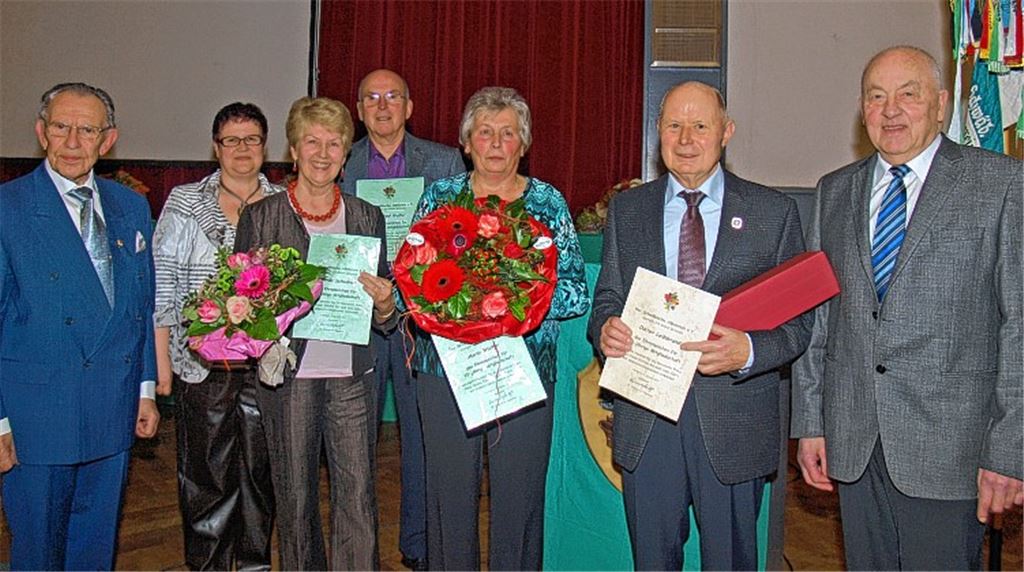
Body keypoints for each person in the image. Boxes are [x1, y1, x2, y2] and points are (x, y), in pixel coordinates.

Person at [791, 45, 1023, 570]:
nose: (891, 110)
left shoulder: (1002, 185)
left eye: (908, 94)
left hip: (951, 452)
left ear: (941, 104)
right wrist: (811, 422)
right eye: (876, 97)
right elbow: (819, 320)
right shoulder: (835, 191)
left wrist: (1010, 449)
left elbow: (1020, 326)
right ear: (862, 110)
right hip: (854, 442)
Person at [589, 81, 811, 570]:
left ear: (726, 132)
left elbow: (799, 325)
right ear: (658, 133)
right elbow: (607, 297)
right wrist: (605, 329)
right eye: (674, 125)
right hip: (648, 419)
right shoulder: (628, 210)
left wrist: (749, 351)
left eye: (700, 125)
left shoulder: (773, 212)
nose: (686, 139)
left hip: (733, 422)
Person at [406, 86, 589, 570]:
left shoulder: (547, 203)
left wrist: (514, 303)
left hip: (523, 371)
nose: (495, 143)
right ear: (466, 142)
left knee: (519, 500)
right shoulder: (440, 198)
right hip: (446, 371)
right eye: (485, 132)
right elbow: (412, 281)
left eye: (507, 133)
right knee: (449, 497)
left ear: (523, 144)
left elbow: (576, 292)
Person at [0, 82, 160, 569]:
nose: (72, 142)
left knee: (95, 549)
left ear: (107, 140)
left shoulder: (130, 206)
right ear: (41, 133)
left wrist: (145, 388)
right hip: (36, 415)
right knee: (39, 552)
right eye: (61, 127)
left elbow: (140, 304)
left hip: (112, 404)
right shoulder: (8, 208)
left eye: (86, 131)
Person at [234, 96, 397, 571]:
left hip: (353, 377)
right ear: (293, 150)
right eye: (312, 142)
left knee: (359, 496)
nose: (323, 154)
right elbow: (241, 311)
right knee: (295, 498)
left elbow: (385, 317)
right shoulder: (261, 217)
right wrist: (270, 310)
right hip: (289, 378)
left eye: (334, 144)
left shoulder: (368, 216)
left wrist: (386, 304)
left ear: (346, 154)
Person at [341, 68, 465, 571]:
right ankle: (359, 551)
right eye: (371, 97)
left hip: (421, 320)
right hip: (358, 317)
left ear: (409, 107)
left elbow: (458, 241)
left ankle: (420, 546)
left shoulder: (444, 162)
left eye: (392, 96)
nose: (382, 105)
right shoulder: (339, 161)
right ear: (359, 109)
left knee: (423, 439)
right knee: (354, 443)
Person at [152, 102, 280, 570]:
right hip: (200, 365)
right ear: (215, 147)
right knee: (206, 475)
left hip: (264, 367)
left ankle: (253, 564)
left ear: (265, 147)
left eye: (252, 139)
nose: (242, 149)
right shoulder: (186, 202)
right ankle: (208, 564)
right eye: (231, 140)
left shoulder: (282, 202)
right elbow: (163, 283)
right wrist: (162, 364)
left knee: (259, 475)